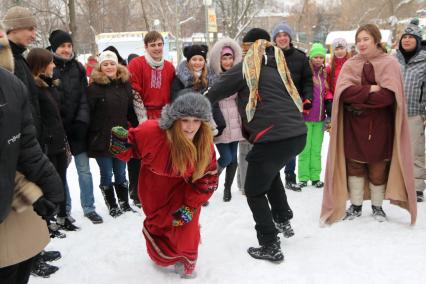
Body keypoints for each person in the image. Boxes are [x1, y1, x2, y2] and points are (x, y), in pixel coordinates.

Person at [207, 28, 307, 262]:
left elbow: (216, 90)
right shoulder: (278, 68)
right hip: (296, 135)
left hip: (274, 137)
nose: (242, 53)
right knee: (268, 174)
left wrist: (192, 106)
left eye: (244, 48)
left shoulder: (247, 68)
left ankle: (269, 243)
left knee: (253, 189)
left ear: (251, 47)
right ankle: (283, 218)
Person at [110, 93, 218, 278]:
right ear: (175, 120)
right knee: (159, 226)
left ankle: (185, 264)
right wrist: (121, 144)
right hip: (154, 189)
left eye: (196, 121)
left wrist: (190, 206)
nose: (190, 127)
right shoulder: (153, 132)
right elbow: (132, 146)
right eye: (185, 120)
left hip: (185, 191)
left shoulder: (204, 144)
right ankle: (164, 259)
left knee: (186, 231)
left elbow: (207, 179)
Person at [320, 24, 417, 225]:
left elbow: (388, 98)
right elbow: (344, 94)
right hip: (354, 125)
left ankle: (377, 206)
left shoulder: (389, 63)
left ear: (376, 40)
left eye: (366, 39)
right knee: (354, 164)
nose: (361, 44)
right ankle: (355, 206)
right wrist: (370, 89)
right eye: (358, 40)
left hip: (381, 125)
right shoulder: (350, 64)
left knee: (378, 166)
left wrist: (359, 96)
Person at [0, 21, 64, 282]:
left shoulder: (11, 85)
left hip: (14, 201)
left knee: (19, 263)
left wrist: (44, 187)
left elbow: (22, 145)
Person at [48, 29, 103, 225]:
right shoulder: (48, 66)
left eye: (69, 45)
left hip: (78, 128)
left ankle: (89, 207)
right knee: (60, 171)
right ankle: (65, 208)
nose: (66, 49)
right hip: (58, 129)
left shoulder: (78, 68)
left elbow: (83, 98)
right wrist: (58, 125)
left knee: (84, 170)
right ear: (55, 47)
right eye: (62, 46)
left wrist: (82, 122)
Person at [27, 48, 73, 234]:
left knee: (61, 180)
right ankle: (47, 222)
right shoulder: (34, 88)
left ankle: (62, 216)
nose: (54, 65)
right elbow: (37, 118)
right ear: (41, 65)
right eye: (50, 62)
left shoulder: (49, 85)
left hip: (59, 141)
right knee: (48, 184)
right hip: (47, 144)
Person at [127, 31, 175, 207]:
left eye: (159, 44)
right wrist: (143, 120)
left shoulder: (169, 67)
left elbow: (172, 94)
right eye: (152, 45)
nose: (156, 48)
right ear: (146, 47)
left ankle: (159, 190)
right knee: (140, 157)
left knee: (161, 155)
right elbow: (134, 92)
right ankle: (137, 192)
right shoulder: (136, 64)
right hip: (143, 115)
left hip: (163, 115)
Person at [87, 51, 134, 216]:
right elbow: (88, 114)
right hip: (101, 137)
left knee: (121, 171)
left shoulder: (125, 85)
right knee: (106, 172)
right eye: (105, 64)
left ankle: (124, 203)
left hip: (120, 135)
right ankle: (112, 205)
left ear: (117, 65)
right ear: (100, 67)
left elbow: (130, 111)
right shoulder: (93, 88)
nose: (109, 67)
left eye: (112, 63)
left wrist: (137, 129)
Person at [271, 21, 313, 191]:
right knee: (274, 143)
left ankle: (290, 177)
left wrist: (307, 98)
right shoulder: (269, 56)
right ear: (275, 39)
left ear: (290, 37)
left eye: (285, 35)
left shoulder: (300, 57)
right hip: (273, 106)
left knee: (291, 142)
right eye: (279, 35)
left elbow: (308, 82)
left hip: (293, 107)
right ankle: (271, 177)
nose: (282, 38)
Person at [209, 37, 244, 201]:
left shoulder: (238, 75)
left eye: (230, 57)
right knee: (226, 157)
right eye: (224, 57)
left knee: (233, 160)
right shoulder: (213, 76)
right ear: (219, 59)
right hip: (220, 120)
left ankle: (227, 189)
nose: (228, 61)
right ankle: (211, 180)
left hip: (235, 120)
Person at [395, 18, 426, 203]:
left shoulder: (424, 61)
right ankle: (398, 185)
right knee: (396, 151)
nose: (406, 40)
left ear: (417, 40)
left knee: (415, 151)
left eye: (410, 37)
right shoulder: (393, 60)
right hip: (394, 113)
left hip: (416, 113)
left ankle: (417, 187)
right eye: (404, 37)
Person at [297, 43, 328, 188]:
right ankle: (303, 177)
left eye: (321, 57)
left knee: (316, 150)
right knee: (305, 149)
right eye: (315, 56)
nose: (318, 59)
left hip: (320, 119)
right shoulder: (306, 72)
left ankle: (315, 176)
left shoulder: (325, 74)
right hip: (306, 118)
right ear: (311, 57)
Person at [324, 38, 350, 130]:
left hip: (348, 101)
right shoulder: (330, 67)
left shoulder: (352, 64)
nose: (339, 51)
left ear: (346, 49)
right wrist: (329, 99)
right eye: (337, 49)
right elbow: (325, 85)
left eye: (341, 48)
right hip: (334, 102)